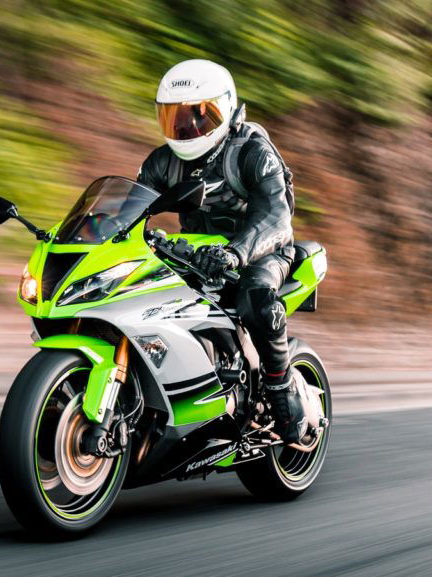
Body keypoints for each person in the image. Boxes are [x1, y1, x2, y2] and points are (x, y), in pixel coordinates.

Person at [136, 59, 308, 442]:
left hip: (263, 250)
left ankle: (282, 391)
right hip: (193, 254)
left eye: (199, 116)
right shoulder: (162, 163)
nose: (186, 128)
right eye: (175, 118)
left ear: (226, 108)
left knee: (256, 298)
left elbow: (276, 218)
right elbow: (128, 211)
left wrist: (235, 254)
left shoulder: (251, 152)